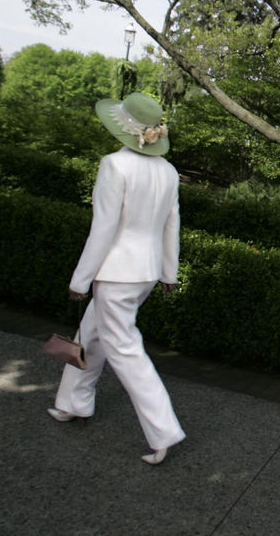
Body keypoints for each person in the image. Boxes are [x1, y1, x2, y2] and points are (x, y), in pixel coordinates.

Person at [48, 92, 185, 466]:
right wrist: (168, 273)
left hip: (116, 274)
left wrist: (80, 280)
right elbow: (172, 228)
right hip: (144, 273)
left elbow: (103, 228)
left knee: (125, 351)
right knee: (91, 333)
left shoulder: (113, 165)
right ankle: (73, 402)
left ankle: (163, 431)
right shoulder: (168, 172)